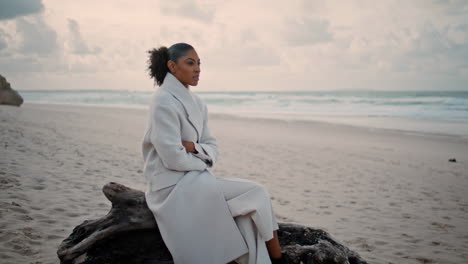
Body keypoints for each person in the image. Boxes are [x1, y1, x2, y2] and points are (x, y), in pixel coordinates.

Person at [142, 42, 285, 264]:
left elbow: (213, 147)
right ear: (172, 66)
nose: (198, 69)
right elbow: (172, 158)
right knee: (257, 192)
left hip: (195, 179)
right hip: (170, 187)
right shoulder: (163, 101)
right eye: (190, 63)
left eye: (199, 63)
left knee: (247, 219)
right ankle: (279, 259)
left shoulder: (198, 103)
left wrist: (195, 148)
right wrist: (203, 161)